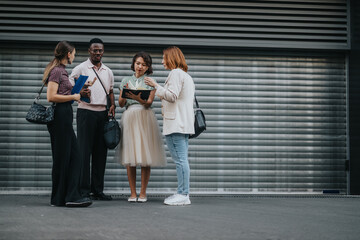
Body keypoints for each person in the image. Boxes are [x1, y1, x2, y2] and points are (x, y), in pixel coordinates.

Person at [145, 46, 195, 206]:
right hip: (183, 124)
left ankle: (183, 194)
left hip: (176, 124)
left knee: (180, 160)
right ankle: (183, 192)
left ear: (171, 58)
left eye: (164, 58)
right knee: (182, 159)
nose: (161, 61)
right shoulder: (186, 76)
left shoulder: (175, 74)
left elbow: (172, 96)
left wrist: (155, 86)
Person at [45, 40, 92, 207]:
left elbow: (63, 92)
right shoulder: (57, 71)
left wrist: (79, 89)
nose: (75, 56)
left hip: (64, 115)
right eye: (74, 53)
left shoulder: (62, 71)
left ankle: (66, 196)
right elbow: (51, 96)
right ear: (68, 54)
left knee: (71, 157)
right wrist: (73, 97)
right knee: (65, 157)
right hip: (60, 115)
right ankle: (65, 197)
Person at [116, 52, 166, 203]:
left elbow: (150, 102)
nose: (140, 67)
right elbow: (120, 103)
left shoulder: (151, 81)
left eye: (144, 65)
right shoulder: (126, 80)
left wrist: (139, 98)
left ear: (148, 67)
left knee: (145, 157)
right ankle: (132, 193)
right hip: (130, 116)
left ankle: (143, 193)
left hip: (145, 116)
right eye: (138, 63)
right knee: (130, 157)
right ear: (134, 63)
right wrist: (125, 94)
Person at [69, 38, 115, 201]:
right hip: (85, 113)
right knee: (83, 152)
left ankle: (98, 190)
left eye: (100, 50)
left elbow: (110, 91)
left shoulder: (108, 71)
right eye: (94, 50)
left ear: (103, 52)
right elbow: (70, 88)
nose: (97, 53)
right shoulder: (80, 68)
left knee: (100, 153)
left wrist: (112, 105)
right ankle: (83, 190)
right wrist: (80, 91)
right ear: (89, 51)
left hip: (102, 114)